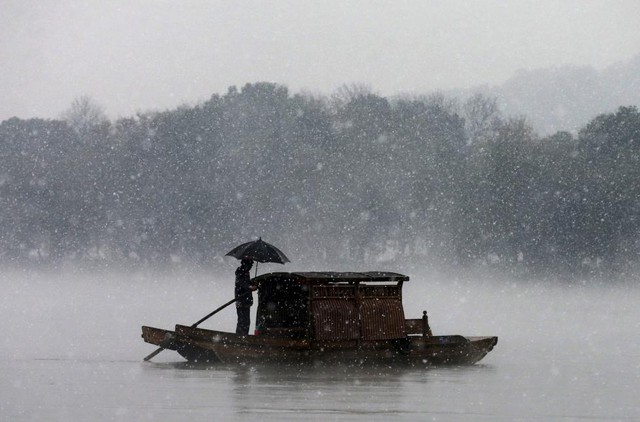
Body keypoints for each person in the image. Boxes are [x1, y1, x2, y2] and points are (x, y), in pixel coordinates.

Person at [234, 259, 256, 335]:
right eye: (250, 265)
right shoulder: (240, 271)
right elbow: (240, 283)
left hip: (246, 300)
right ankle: (239, 337)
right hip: (240, 299)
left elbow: (246, 283)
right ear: (246, 264)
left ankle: (244, 336)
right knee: (242, 320)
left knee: (246, 321)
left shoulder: (246, 273)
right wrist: (249, 287)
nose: (251, 267)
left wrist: (252, 283)